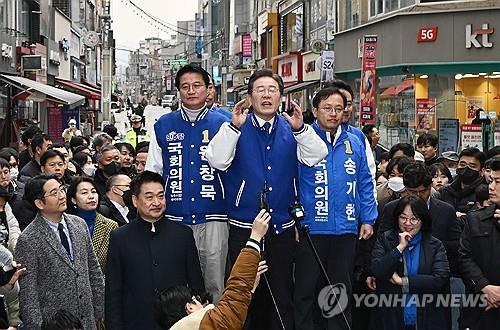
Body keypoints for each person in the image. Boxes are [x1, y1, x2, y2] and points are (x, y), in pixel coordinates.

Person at [205, 69, 328, 329]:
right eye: (260, 89)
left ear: (281, 96)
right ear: (249, 96)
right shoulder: (235, 125)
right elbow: (216, 160)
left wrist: (301, 129)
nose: (266, 95)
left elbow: (317, 154)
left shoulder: (291, 127)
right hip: (244, 228)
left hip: (281, 227)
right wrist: (233, 127)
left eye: (272, 89)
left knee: (281, 295)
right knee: (243, 293)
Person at [294, 87, 377, 329]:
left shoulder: (356, 140)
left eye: (338, 109)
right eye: (327, 108)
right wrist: (294, 222)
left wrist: (368, 218)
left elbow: (365, 181)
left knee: (340, 292)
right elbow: (290, 181)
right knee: (305, 291)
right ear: (315, 110)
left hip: (345, 229)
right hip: (311, 229)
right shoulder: (303, 137)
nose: (333, 113)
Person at [146, 64, 230, 302]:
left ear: (208, 89)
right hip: (174, 217)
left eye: (197, 86)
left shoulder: (225, 123)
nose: (191, 91)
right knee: (176, 285)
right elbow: (154, 170)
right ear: (178, 91)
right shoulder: (164, 124)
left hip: (215, 215)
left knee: (215, 283)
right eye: (185, 87)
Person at [105, 171, 204, 330]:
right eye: (149, 197)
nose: (157, 202)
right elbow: (113, 291)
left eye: (161, 196)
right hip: (136, 322)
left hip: (178, 323)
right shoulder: (120, 237)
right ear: (135, 201)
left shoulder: (182, 234)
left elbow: (196, 283)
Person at [14, 175, 105, 329]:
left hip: (88, 320)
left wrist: (99, 311)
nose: (62, 196)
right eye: (54, 193)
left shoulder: (79, 224)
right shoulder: (28, 239)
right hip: (56, 323)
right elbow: (29, 293)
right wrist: (36, 326)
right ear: (39, 203)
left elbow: (94, 270)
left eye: (62, 190)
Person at [156, 209, 270, 329]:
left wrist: (249, 289)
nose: (205, 304)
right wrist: (255, 238)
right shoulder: (207, 325)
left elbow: (233, 318)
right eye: (197, 299)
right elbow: (234, 297)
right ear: (189, 307)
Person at [370, 195, 451, 329]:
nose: (407, 223)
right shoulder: (385, 240)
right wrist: (399, 248)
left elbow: (440, 280)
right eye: (403, 217)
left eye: (414, 219)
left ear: (423, 220)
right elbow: (378, 270)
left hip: (426, 318)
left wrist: (403, 282)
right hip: (390, 317)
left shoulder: (435, 245)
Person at [458, 158, 500, 329]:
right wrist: (485, 286)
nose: (491, 187)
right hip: (479, 304)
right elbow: (464, 257)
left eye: (498, 182)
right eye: (491, 180)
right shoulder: (476, 218)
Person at [66, 177, 118, 272]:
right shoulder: (65, 225)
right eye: (84, 193)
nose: (91, 196)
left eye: (93, 192)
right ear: (73, 200)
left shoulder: (110, 226)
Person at [440, 147, 486, 217]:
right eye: (462, 165)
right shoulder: (446, 191)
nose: (466, 169)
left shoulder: (485, 193)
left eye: (472, 166)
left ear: (482, 171)